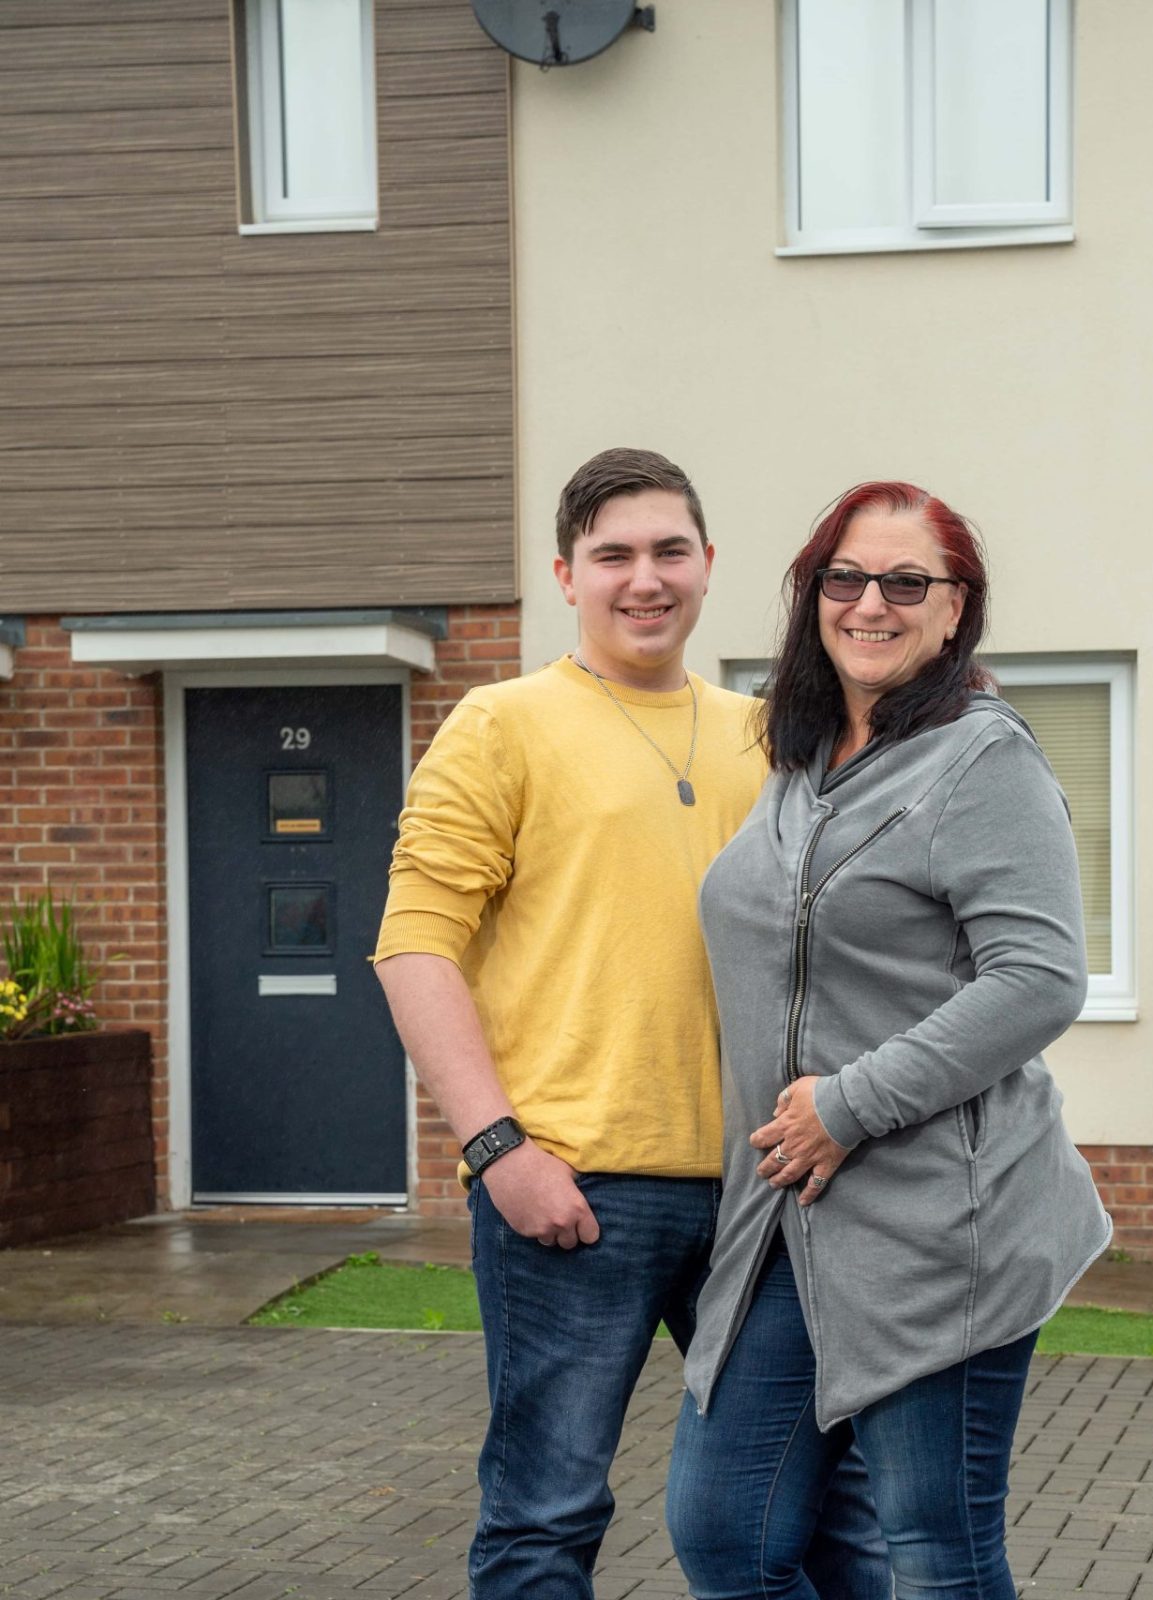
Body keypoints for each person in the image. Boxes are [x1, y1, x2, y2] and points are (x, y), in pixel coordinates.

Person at [372, 448, 889, 1600]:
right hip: (576, 1195)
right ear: (566, 573)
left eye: (667, 551)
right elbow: (414, 946)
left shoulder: (777, 738)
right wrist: (496, 1148)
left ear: (708, 566)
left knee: (827, 1513)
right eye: (613, 554)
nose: (642, 578)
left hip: (768, 1192)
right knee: (545, 1516)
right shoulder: (500, 724)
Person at [667, 481, 1114, 1600]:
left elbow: (1041, 977)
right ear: (814, 594)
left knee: (935, 1551)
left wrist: (847, 1105)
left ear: (956, 609)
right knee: (723, 1530)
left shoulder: (981, 759)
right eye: (846, 577)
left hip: (937, 1224)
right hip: (784, 1215)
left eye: (907, 581)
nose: (872, 602)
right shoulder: (802, 755)